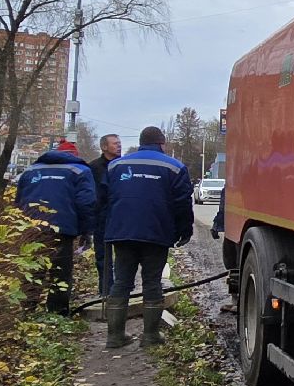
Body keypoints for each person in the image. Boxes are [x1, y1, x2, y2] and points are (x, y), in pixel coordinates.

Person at [103, 125, 193, 348]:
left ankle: (114, 336)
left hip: (122, 232)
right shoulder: (174, 167)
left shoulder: (116, 165)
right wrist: (184, 231)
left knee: (121, 282)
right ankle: (150, 336)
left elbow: (104, 199)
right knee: (152, 282)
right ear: (161, 143)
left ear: (141, 142)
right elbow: (182, 203)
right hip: (156, 233)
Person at [14, 139, 98, 316]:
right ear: (74, 156)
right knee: (60, 273)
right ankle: (57, 314)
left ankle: (26, 312)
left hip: (32, 228)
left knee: (33, 271)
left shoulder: (30, 171)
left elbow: (19, 200)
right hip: (62, 229)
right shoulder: (81, 171)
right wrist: (86, 231)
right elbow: (86, 203)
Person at [86, 133, 123, 293]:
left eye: (119, 143)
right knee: (103, 257)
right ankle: (105, 290)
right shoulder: (94, 167)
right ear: (104, 147)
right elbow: (91, 195)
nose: (119, 145)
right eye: (115, 143)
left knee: (123, 256)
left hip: (121, 218)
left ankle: (120, 289)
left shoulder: (123, 166)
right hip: (102, 218)